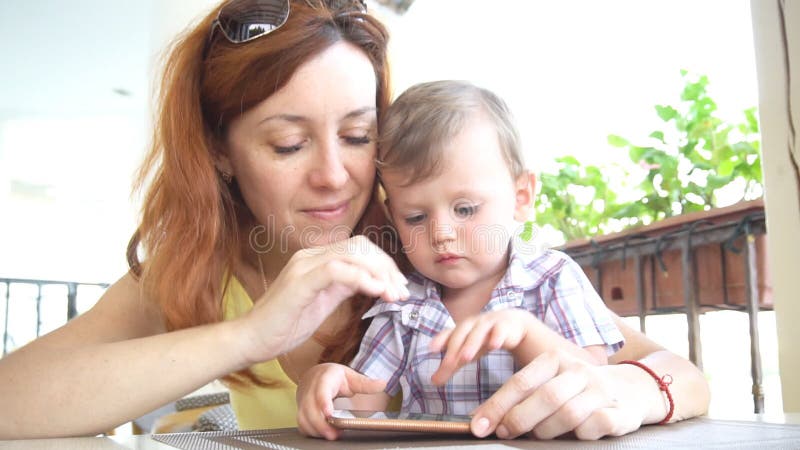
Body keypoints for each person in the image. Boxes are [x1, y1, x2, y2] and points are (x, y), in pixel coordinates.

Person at [0, 0, 709, 441]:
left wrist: (625, 394)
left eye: (359, 135)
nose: (335, 175)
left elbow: (674, 374)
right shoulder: (192, 275)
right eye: (288, 143)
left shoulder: (427, 255)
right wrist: (250, 333)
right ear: (220, 151)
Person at [296, 82, 710, 441]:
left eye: (465, 209)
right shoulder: (403, 304)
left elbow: (593, 379)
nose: (441, 232)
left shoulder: (551, 278)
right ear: (392, 218)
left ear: (521, 197)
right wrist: (331, 390)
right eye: (416, 217)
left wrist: (524, 334)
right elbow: (367, 403)